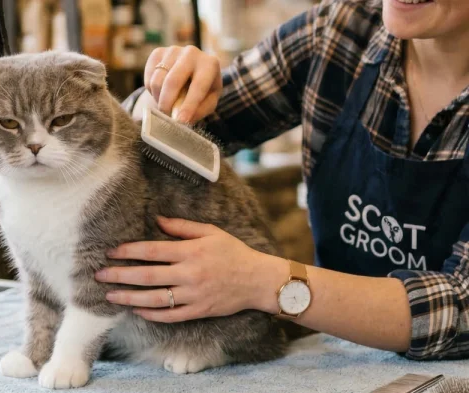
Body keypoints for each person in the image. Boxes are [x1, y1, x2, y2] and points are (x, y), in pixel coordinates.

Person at [96, 0, 469, 360]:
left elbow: (460, 307)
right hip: (331, 356)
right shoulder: (335, 32)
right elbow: (181, 131)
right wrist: (165, 99)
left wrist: (265, 283)